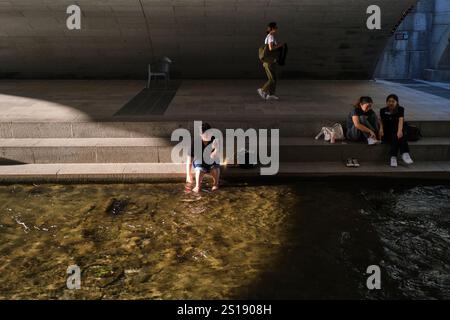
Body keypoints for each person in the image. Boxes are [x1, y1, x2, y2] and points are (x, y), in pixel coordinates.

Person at [380, 94, 414, 167]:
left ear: (397, 102)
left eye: (393, 101)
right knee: (397, 134)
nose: (391, 103)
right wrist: (381, 129)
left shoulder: (400, 109)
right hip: (388, 130)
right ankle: (404, 152)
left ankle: (394, 156)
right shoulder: (382, 110)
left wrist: (399, 131)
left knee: (399, 134)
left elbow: (401, 120)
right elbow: (381, 121)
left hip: (398, 127)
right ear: (386, 102)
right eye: (389, 101)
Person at [186, 123, 220, 193]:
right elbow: (189, 159)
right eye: (205, 134)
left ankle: (215, 184)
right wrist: (188, 174)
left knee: (215, 168)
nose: (208, 136)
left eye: (209, 134)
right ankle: (197, 186)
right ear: (200, 134)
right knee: (199, 170)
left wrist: (216, 149)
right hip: (199, 160)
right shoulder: (195, 142)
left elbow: (214, 156)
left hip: (211, 159)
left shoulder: (214, 140)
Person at [257, 22, 284, 101]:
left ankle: (271, 95)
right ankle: (262, 90)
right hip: (270, 62)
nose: (277, 28)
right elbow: (271, 48)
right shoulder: (271, 36)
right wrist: (280, 45)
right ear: (272, 29)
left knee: (273, 78)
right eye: (276, 27)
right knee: (272, 79)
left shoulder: (268, 36)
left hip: (267, 62)